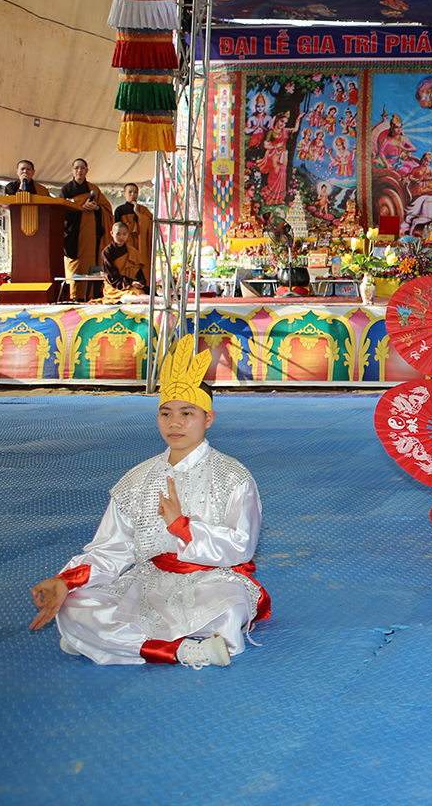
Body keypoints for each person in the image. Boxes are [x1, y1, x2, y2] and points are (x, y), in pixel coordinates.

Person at [27, 336, 269, 668]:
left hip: (211, 581)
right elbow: (111, 549)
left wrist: (183, 527)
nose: (174, 423)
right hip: (149, 580)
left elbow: (242, 546)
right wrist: (67, 580)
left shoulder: (232, 476)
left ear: (208, 418)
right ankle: (184, 650)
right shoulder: (137, 480)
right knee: (74, 605)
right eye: (165, 413)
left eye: (187, 413)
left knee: (230, 607)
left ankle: (108, 643)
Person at [61, 158, 114, 302]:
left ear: (87, 171)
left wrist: (97, 208)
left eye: (82, 168)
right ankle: (74, 297)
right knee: (75, 268)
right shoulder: (66, 190)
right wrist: (79, 208)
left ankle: (92, 296)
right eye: (76, 168)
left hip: (90, 236)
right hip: (74, 236)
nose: (79, 171)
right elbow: (61, 211)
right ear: (72, 171)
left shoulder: (94, 190)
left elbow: (107, 210)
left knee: (91, 265)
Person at [112, 183, 154, 274]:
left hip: (141, 243)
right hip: (126, 242)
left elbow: (151, 224)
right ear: (124, 194)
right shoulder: (120, 210)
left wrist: (137, 213)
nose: (133, 194)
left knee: (142, 268)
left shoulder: (143, 210)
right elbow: (116, 228)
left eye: (135, 192)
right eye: (130, 192)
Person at [98, 222, 147, 301]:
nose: (121, 237)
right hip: (114, 287)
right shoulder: (107, 252)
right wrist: (130, 283)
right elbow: (112, 277)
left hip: (131, 285)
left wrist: (140, 282)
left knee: (141, 293)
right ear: (111, 233)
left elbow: (138, 271)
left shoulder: (132, 251)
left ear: (128, 234)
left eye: (124, 234)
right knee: (135, 294)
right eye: (118, 234)